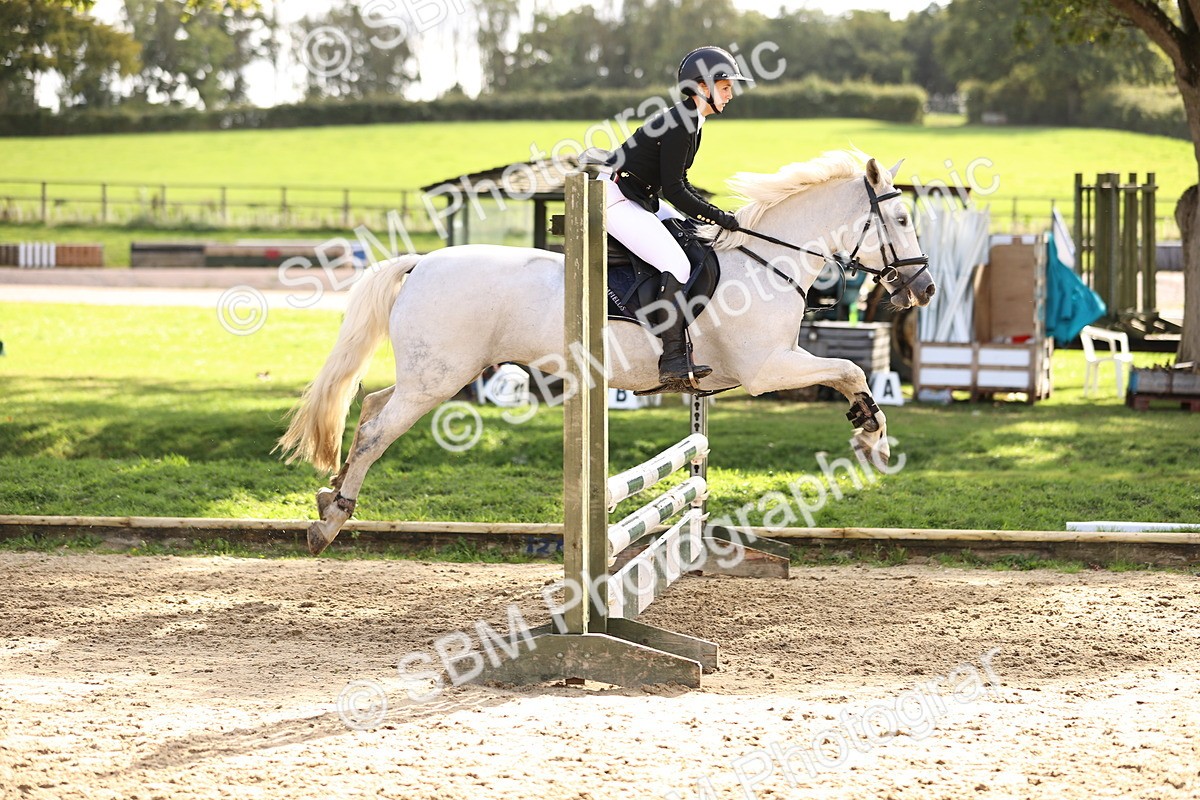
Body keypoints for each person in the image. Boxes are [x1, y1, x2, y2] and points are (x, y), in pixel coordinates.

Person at [603, 46, 752, 388]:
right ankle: (671, 357)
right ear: (703, 86)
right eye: (725, 86)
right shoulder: (682, 122)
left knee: (692, 238)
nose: (730, 94)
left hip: (640, 197)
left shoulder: (691, 118)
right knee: (678, 263)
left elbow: (678, 184)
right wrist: (719, 216)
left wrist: (709, 217)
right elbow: (675, 189)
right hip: (614, 198)